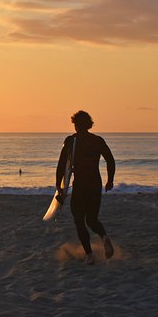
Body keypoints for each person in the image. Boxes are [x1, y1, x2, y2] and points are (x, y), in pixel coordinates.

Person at [56, 110, 116, 265]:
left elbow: (62, 164)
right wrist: (110, 180)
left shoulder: (71, 140)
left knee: (79, 220)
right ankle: (104, 237)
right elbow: (110, 160)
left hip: (80, 185)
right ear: (89, 124)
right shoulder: (97, 140)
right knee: (92, 219)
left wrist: (59, 186)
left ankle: (89, 256)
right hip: (95, 184)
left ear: (76, 124)